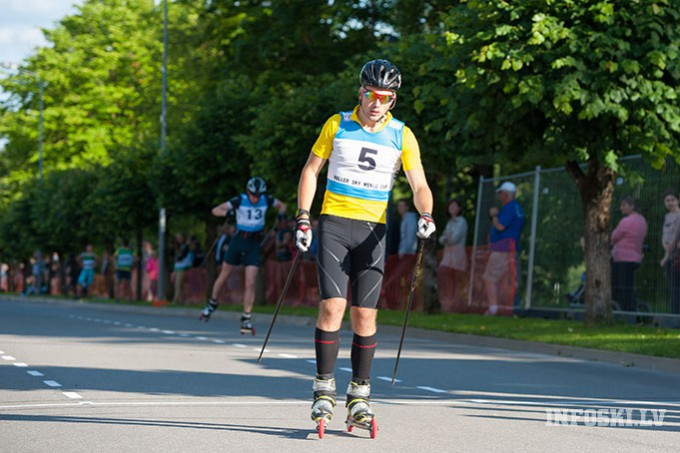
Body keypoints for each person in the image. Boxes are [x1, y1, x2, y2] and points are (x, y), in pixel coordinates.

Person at [294, 59, 436, 431]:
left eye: (385, 97)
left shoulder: (402, 134)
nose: (377, 103)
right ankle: (324, 388)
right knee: (332, 307)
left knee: (365, 315)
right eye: (372, 95)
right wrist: (303, 215)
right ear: (361, 93)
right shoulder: (337, 124)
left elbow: (418, 183)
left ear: (393, 101)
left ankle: (360, 393)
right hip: (336, 224)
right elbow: (311, 170)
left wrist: (426, 214)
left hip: (374, 230)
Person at [199, 177, 286, 333]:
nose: (256, 198)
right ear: (248, 191)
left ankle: (246, 317)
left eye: (258, 195)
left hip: (254, 243)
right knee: (225, 274)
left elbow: (282, 205)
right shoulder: (240, 200)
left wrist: (281, 215)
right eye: (253, 194)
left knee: (251, 282)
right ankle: (212, 302)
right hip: (238, 240)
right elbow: (215, 210)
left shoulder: (266, 199)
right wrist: (229, 211)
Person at [483, 181, 525, 315]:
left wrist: (494, 215)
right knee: (508, 280)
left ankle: (493, 309)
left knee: (489, 277)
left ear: (506, 194)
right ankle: (508, 309)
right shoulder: (517, 208)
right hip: (511, 249)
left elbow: (500, 226)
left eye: (500, 193)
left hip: (502, 249)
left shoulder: (510, 207)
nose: (499, 196)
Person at [611, 196, 648, 311]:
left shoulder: (626, 221)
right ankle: (631, 306)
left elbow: (614, 237)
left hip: (622, 257)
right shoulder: (642, 220)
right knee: (628, 285)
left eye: (624, 205)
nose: (621, 207)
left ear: (632, 206)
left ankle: (622, 308)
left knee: (618, 285)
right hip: (635, 257)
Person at [438, 198, 468, 310]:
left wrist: (446, 237)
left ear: (459, 208)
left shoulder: (461, 222)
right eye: (451, 206)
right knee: (445, 275)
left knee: (455, 279)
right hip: (448, 254)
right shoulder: (449, 222)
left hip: (457, 254)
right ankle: (447, 301)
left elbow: (454, 239)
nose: (452, 208)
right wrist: (446, 238)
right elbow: (441, 239)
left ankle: (455, 303)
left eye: (455, 206)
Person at [660, 190, 680, 314]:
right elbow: (664, 236)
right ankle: (675, 314)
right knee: (673, 288)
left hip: (676, 254)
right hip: (669, 252)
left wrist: (666, 256)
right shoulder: (667, 217)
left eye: (672, 200)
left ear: (677, 201)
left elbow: (676, 235)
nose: (670, 202)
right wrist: (666, 250)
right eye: (667, 200)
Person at [172, 233, 193, 305]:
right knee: (179, 285)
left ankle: (176, 300)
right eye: (177, 238)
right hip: (177, 267)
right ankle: (181, 300)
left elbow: (181, 256)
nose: (179, 240)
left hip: (182, 267)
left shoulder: (185, 246)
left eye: (180, 238)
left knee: (178, 284)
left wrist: (178, 257)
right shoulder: (178, 246)